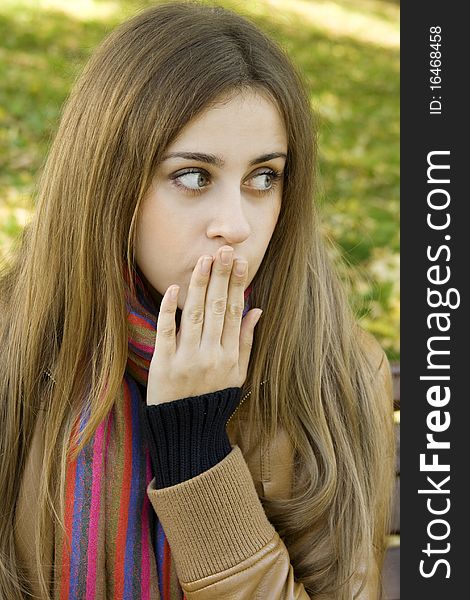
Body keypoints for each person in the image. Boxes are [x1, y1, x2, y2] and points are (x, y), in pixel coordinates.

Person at [0, 2, 395, 599]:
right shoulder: (14, 346)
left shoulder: (334, 370)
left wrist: (198, 452)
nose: (235, 223)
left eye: (263, 178)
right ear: (110, 181)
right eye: (192, 177)